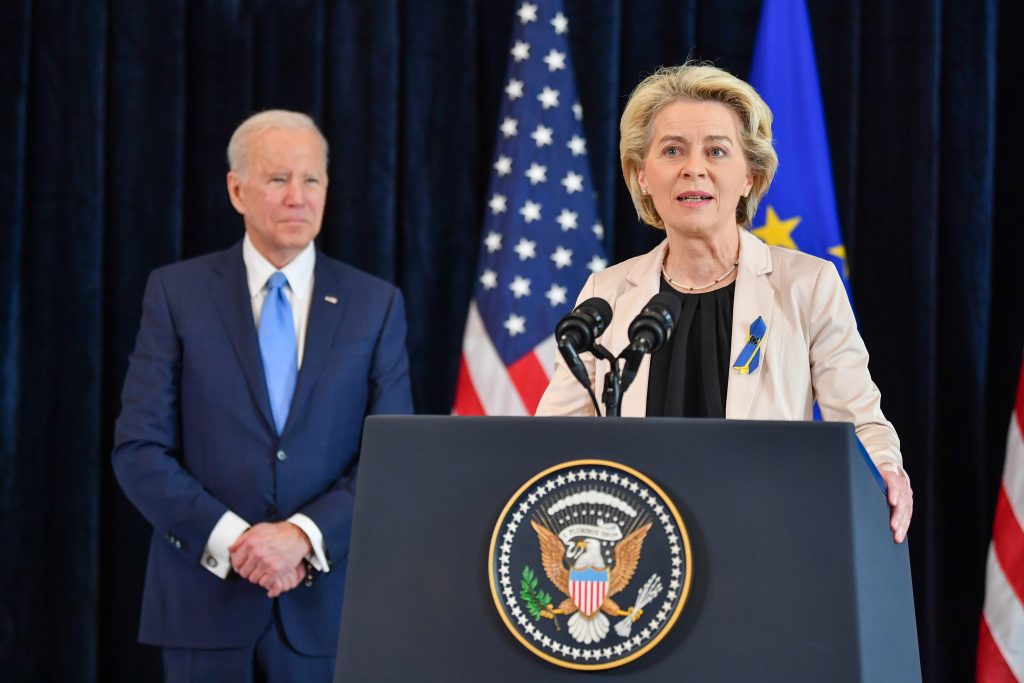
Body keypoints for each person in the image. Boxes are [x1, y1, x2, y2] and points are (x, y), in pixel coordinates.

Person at [535, 64, 912, 543]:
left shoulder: (807, 285)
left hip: (762, 538)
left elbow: (859, 420)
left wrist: (885, 471)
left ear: (749, 177)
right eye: (672, 150)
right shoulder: (606, 293)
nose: (694, 167)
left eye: (716, 150)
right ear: (642, 175)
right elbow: (552, 438)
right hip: (635, 548)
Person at [112, 110, 413, 681]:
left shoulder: (376, 305)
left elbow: (392, 457)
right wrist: (238, 542)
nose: (297, 197)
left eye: (312, 180)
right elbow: (138, 450)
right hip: (203, 607)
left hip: (327, 613)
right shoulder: (176, 294)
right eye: (278, 179)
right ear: (237, 189)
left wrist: (301, 537)